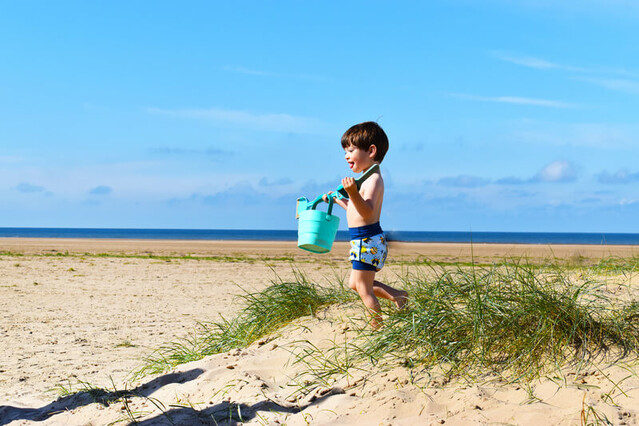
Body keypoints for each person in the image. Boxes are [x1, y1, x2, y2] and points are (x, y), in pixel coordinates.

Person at [325, 121, 408, 329]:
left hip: (367, 240)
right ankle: (398, 296)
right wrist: (339, 200)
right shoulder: (365, 179)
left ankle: (376, 329)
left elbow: (368, 211)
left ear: (371, 151)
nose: (346, 155)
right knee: (355, 284)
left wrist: (352, 193)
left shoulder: (374, 180)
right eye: (345, 151)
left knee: (364, 289)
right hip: (363, 239)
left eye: (351, 150)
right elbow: (356, 211)